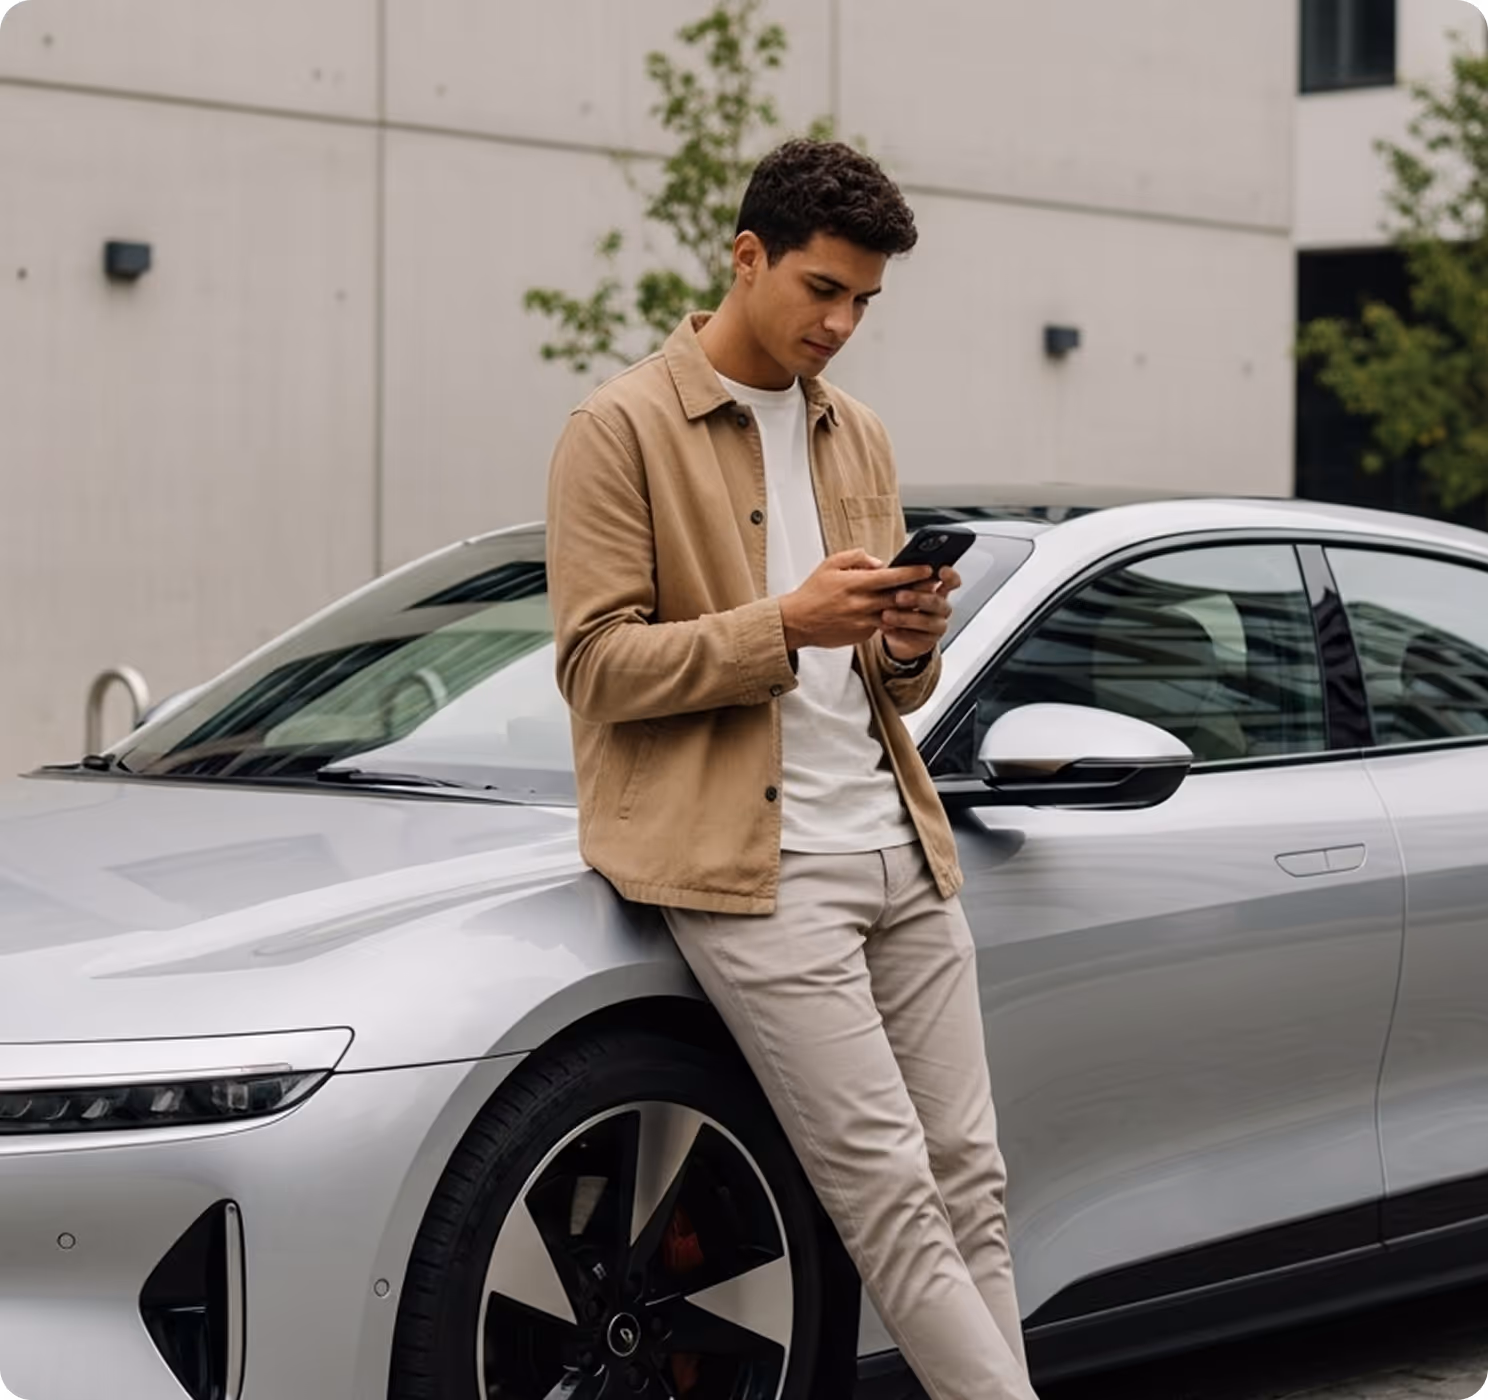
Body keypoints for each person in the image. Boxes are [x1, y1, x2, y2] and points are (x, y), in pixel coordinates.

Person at [546, 138, 1039, 1400]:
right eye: (823, 288)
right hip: (758, 873)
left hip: (900, 846)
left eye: (866, 301)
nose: (843, 322)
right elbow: (597, 667)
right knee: (890, 1198)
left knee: (970, 1184)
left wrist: (908, 641)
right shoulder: (619, 428)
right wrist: (787, 625)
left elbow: (878, 680)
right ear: (745, 255)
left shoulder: (855, 432)